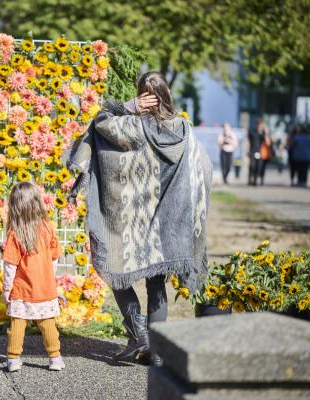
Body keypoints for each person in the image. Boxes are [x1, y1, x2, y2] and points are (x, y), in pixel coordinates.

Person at [67, 71, 212, 365]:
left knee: (114, 270)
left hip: (132, 223)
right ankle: (155, 350)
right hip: (167, 223)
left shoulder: (130, 126)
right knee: (156, 284)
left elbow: (99, 122)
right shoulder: (183, 128)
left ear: (143, 95)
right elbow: (202, 170)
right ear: (167, 94)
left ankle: (139, 335)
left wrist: (129, 106)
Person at [2, 182, 65, 372]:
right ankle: (55, 358)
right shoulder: (47, 229)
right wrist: (49, 278)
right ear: (37, 203)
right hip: (45, 289)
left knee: (17, 325)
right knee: (48, 325)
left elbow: (10, 266)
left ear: (15, 206)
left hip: (22, 290)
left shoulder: (15, 234)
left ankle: (13, 360)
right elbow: (54, 258)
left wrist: (7, 289)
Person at [247, 118, 269, 186]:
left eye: (261, 125)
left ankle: (255, 181)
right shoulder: (252, 131)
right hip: (252, 151)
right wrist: (247, 150)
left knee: (258, 166)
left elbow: (268, 143)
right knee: (252, 166)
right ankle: (250, 179)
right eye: (259, 125)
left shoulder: (263, 133)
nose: (260, 126)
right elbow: (248, 141)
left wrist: (266, 132)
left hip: (259, 152)